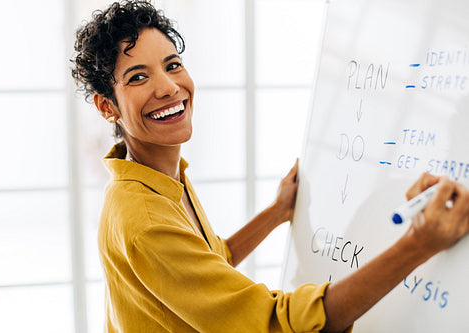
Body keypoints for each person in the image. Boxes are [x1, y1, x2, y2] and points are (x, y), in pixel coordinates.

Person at [71, 1, 469, 332]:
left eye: (172, 65)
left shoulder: (160, 179)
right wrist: (420, 243)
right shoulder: (143, 218)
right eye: (138, 76)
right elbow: (273, 325)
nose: (168, 87)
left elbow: (212, 261)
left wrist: (278, 212)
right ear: (107, 107)